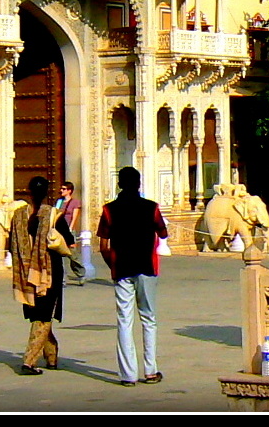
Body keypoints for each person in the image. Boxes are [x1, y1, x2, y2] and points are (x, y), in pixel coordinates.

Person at [97, 166, 168, 387]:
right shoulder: (151, 208)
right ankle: (150, 370)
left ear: (119, 184)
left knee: (124, 320)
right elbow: (163, 233)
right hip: (147, 267)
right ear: (139, 184)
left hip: (122, 270)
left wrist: (113, 265)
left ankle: (128, 374)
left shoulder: (109, 210)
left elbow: (102, 245)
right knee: (148, 318)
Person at [10, 176, 74, 375]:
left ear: (28, 191)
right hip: (49, 272)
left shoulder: (18, 215)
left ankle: (52, 356)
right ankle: (29, 362)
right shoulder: (54, 215)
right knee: (43, 316)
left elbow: (11, 245)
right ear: (48, 192)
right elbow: (69, 242)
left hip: (26, 272)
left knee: (39, 315)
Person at [55, 181, 86, 286]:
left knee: (72, 255)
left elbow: (74, 216)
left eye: (64, 189)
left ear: (69, 191)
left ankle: (81, 273)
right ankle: (62, 279)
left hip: (68, 230)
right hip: (59, 230)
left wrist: (70, 229)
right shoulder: (59, 202)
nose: (61, 191)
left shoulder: (75, 202)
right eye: (61, 188)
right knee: (59, 254)